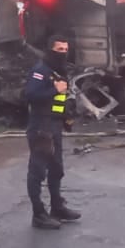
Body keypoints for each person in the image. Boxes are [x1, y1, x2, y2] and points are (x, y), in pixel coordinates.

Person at [23, 35, 81, 230]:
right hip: (40, 127)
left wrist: (66, 117)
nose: (63, 53)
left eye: (66, 50)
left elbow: (58, 102)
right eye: (59, 50)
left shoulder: (59, 72)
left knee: (57, 169)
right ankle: (38, 214)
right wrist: (55, 90)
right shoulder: (40, 71)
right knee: (38, 172)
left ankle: (57, 207)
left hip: (54, 126)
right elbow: (30, 95)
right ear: (50, 50)